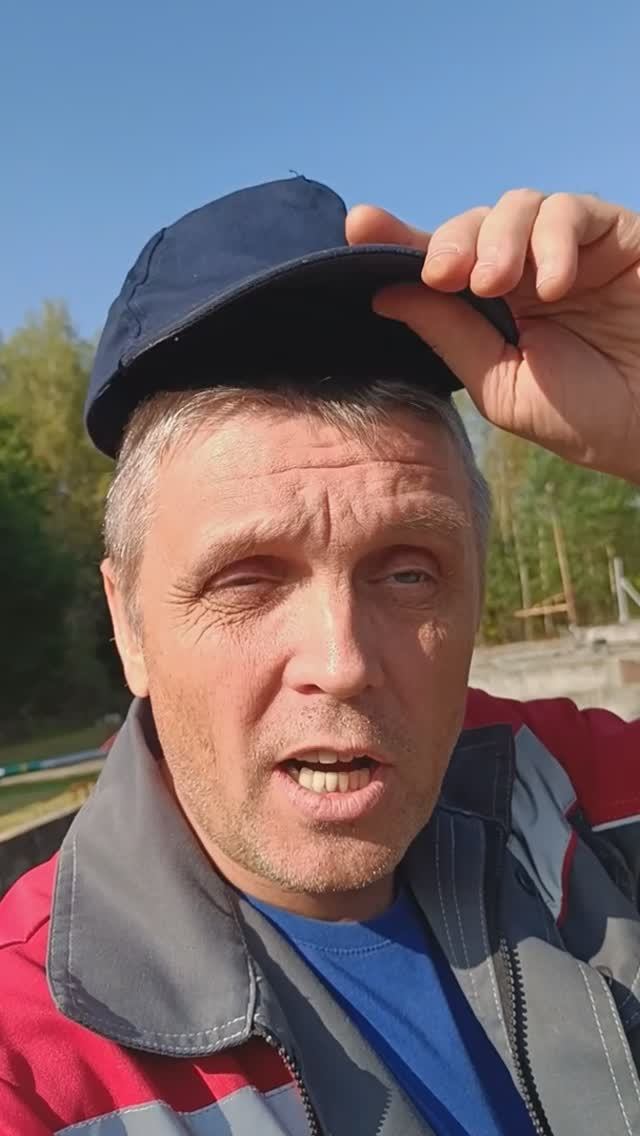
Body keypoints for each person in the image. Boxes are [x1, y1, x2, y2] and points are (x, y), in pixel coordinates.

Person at [1, 177, 640, 1136]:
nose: (341, 662)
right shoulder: (36, 1063)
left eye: (408, 573)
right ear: (129, 624)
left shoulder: (586, 801)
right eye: (246, 579)